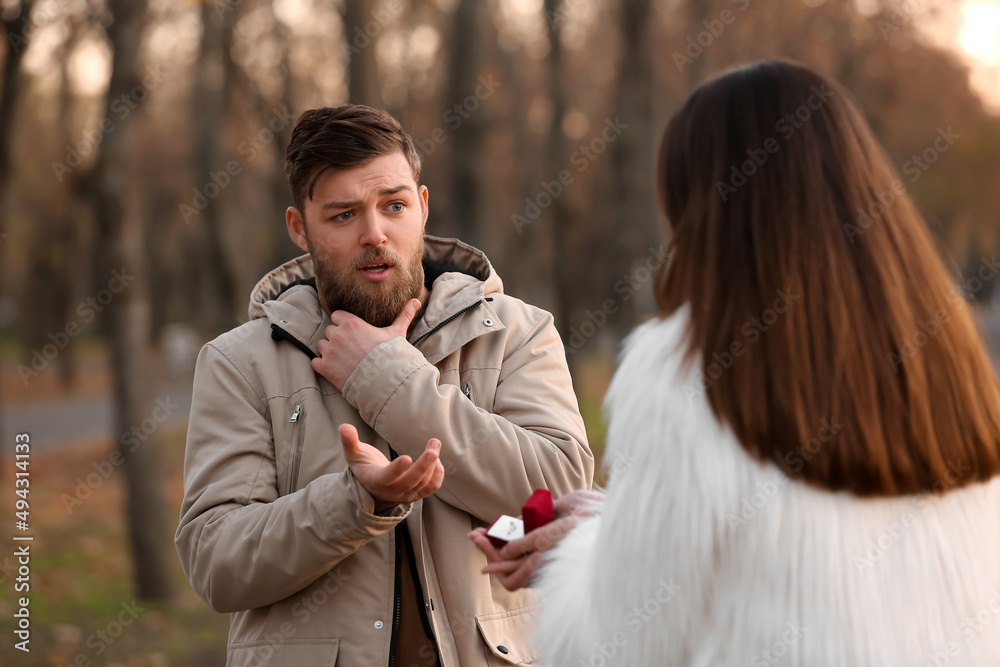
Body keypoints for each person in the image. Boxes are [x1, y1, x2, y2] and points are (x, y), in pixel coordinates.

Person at [471, 59, 1000, 666]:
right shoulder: (946, 351)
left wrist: (572, 559)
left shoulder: (688, 368)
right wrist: (616, 526)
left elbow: (625, 645)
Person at [175, 104, 594, 667]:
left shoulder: (516, 332)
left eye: (393, 206)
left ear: (422, 207)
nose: (375, 234)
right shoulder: (239, 362)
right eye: (343, 215)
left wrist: (387, 378)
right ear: (300, 227)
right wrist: (360, 501)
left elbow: (556, 493)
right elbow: (217, 565)